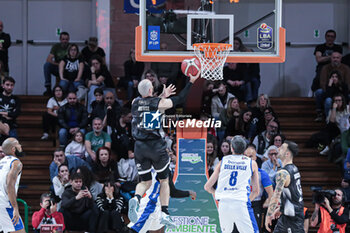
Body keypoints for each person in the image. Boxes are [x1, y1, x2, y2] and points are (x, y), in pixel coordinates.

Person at [128, 71, 199, 228]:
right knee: (164, 179)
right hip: (155, 146)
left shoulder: (134, 102)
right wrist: (191, 82)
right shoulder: (158, 103)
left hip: (139, 146)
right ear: (150, 91)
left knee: (145, 181)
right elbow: (180, 99)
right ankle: (165, 213)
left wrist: (163, 95)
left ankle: (136, 198)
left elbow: (150, 103)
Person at [204, 136, 259, 233]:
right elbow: (256, 191)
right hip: (240, 202)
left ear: (231, 148)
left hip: (224, 203)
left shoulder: (223, 161)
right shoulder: (252, 163)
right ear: (244, 149)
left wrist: (217, 194)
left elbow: (207, 187)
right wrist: (246, 200)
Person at [128, 168, 196, 233]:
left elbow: (172, 192)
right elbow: (173, 192)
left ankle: (136, 199)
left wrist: (189, 193)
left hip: (158, 206)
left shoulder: (147, 165)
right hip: (150, 205)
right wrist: (189, 193)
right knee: (134, 230)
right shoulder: (162, 168)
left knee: (158, 229)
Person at [265, 141, 304, 233]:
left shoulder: (283, 173)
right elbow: (292, 194)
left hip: (292, 218)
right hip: (291, 215)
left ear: (287, 154)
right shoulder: (294, 168)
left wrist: (268, 215)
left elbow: (276, 196)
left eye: (281, 148)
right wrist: (281, 209)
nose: (278, 149)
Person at [244, 144, 273, 232]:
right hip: (240, 204)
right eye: (245, 156)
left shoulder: (262, 174)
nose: (248, 159)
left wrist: (267, 201)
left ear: (255, 158)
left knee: (254, 230)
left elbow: (271, 193)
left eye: (251, 156)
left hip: (255, 204)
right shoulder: (239, 172)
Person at [0, 138, 25, 233]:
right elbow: (10, 184)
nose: (20, 146)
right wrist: (15, 207)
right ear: (13, 149)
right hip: (5, 203)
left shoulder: (1, 162)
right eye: (18, 144)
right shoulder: (16, 163)